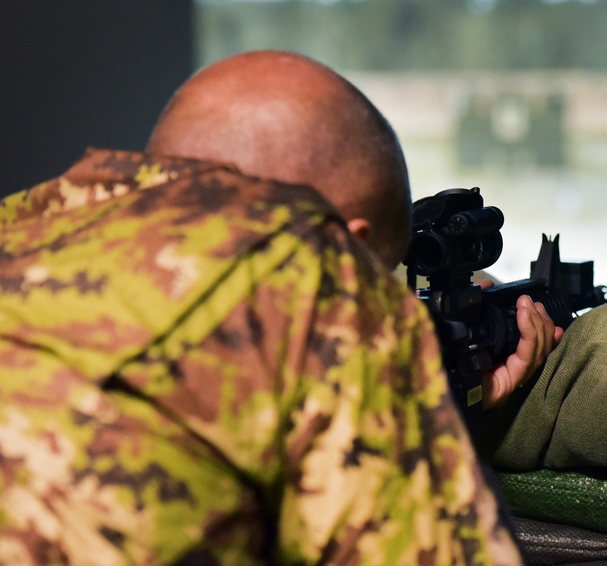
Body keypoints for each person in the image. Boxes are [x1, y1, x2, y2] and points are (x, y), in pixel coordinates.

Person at [0, 50, 560, 565]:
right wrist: (425, 408)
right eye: (386, 273)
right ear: (350, 242)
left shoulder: (21, 223)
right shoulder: (316, 276)